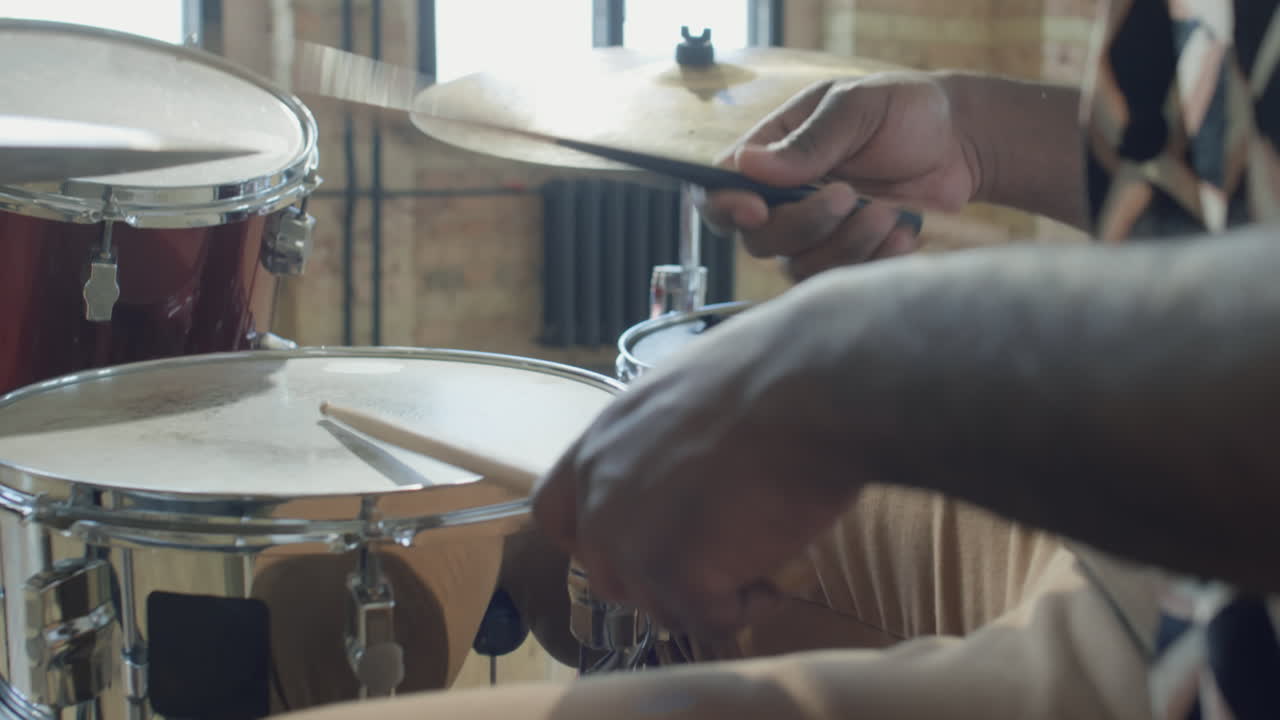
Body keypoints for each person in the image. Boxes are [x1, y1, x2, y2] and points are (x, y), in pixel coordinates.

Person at [282, 0, 1280, 718]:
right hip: (1164, 560)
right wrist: (970, 134)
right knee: (612, 514)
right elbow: (1232, 179)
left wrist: (848, 361)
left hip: (1213, 662)